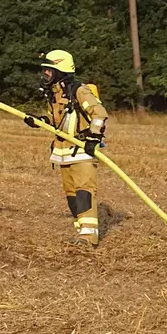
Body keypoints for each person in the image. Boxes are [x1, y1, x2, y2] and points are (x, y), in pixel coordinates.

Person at [24, 49, 109, 246]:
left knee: (84, 192)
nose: (45, 75)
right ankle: (81, 231)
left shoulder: (79, 91)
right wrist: (39, 121)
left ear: (60, 71)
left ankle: (89, 236)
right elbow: (56, 122)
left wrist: (93, 138)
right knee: (72, 195)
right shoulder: (55, 95)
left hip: (81, 151)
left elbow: (99, 113)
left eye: (48, 71)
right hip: (63, 153)